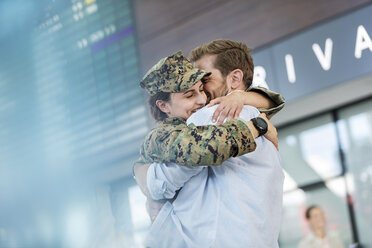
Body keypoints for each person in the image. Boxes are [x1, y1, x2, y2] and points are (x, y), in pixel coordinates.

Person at [135, 41, 284, 247]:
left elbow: (162, 180)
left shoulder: (215, 114)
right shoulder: (254, 114)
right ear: (164, 106)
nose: (202, 93)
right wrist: (258, 123)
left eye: (205, 79)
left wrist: (143, 173)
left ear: (234, 78)